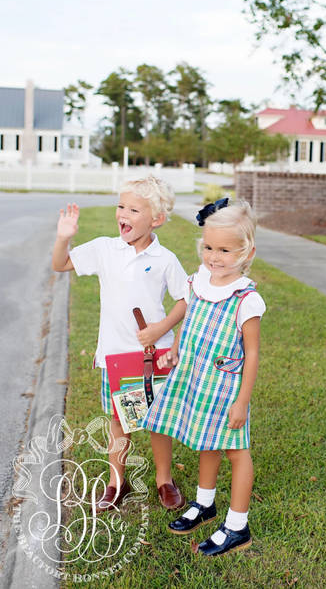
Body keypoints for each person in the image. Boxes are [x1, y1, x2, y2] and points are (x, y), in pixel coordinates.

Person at [52, 175, 188, 514]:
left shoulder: (165, 259)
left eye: (134, 209)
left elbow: (187, 299)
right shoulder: (103, 249)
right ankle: (117, 482)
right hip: (116, 355)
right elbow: (60, 264)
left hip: (154, 354)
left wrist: (161, 328)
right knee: (120, 421)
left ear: (156, 219)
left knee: (158, 420)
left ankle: (164, 480)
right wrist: (63, 238)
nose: (123, 214)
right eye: (121, 206)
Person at [142, 198, 266, 557]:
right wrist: (177, 349)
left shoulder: (247, 299)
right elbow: (191, 317)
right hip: (196, 378)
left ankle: (237, 527)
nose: (215, 256)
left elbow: (253, 353)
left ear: (247, 251)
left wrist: (242, 400)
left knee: (236, 451)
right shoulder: (198, 280)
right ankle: (205, 504)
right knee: (205, 442)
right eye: (209, 247)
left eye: (225, 250)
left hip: (226, 387)